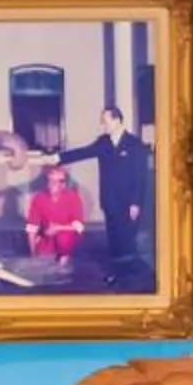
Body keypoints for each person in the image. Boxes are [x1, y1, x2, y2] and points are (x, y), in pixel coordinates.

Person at [55, 104, 154, 267]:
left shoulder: (135, 144)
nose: (103, 125)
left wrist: (135, 202)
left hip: (128, 203)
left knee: (127, 241)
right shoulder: (103, 142)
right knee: (113, 241)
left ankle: (129, 277)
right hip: (109, 201)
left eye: (105, 121)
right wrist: (58, 158)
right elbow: (83, 152)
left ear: (117, 120)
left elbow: (140, 176)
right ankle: (117, 274)